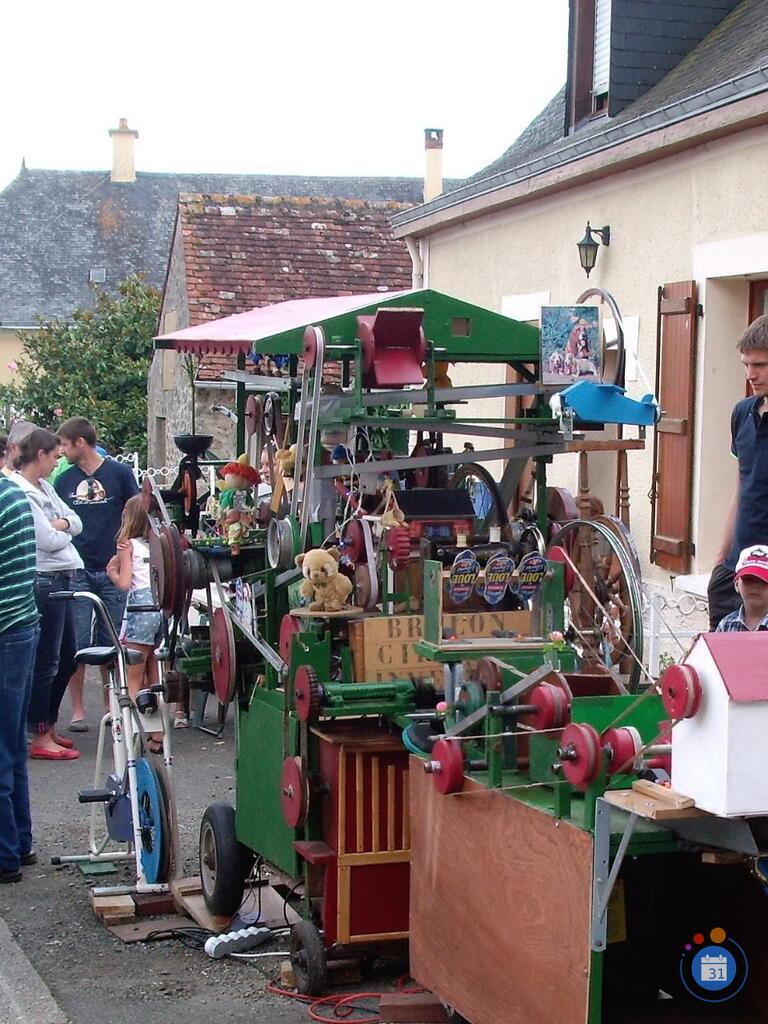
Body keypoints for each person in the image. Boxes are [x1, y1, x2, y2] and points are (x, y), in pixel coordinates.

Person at [54, 417, 139, 730]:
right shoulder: (63, 481)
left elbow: (136, 510)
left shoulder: (119, 473)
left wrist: (127, 547)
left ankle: (110, 705)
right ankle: (78, 710)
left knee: (112, 641)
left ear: (80, 443)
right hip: (77, 568)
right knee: (76, 643)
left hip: (112, 568)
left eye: (64, 444)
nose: (60, 451)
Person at [13, 429, 83, 760]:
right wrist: (62, 527)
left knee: (69, 654)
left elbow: (75, 521)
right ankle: (38, 731)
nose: (58, 463)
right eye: (55, 457)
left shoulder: (46, 487)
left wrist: (62, 524)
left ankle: (48, 723)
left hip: (63, 575)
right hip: (46, 579)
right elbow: (46, 540)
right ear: (40, 455)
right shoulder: (23, 492)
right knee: (48, 660)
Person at [708, 315, 768, 629]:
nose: (750, 375)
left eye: (759, 365)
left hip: (767, 576)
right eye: (746, 365)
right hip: (736, 570)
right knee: (721, 669)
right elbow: (742, 482)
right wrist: (721, 559)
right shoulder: (742, 413)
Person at [106, 496, 170, 748]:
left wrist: (112, 572)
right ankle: (158, 734)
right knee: (155, 675)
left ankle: (130, 732)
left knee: (133, 675)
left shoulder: (127, 546)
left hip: (139, 609)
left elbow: (124, 583)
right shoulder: (157, 544)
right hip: (158, 607)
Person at [0, 470, 39, 882]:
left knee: (3, 744)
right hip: (20, 625)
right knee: (11, 743)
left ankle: (5, 856)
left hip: (7, 629)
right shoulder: (12, 494)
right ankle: (19, 842)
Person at [715, 545, 768, 632]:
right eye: (748, 579)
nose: (755, 585)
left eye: (763, 580)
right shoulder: (726, 625)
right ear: (736, 584)